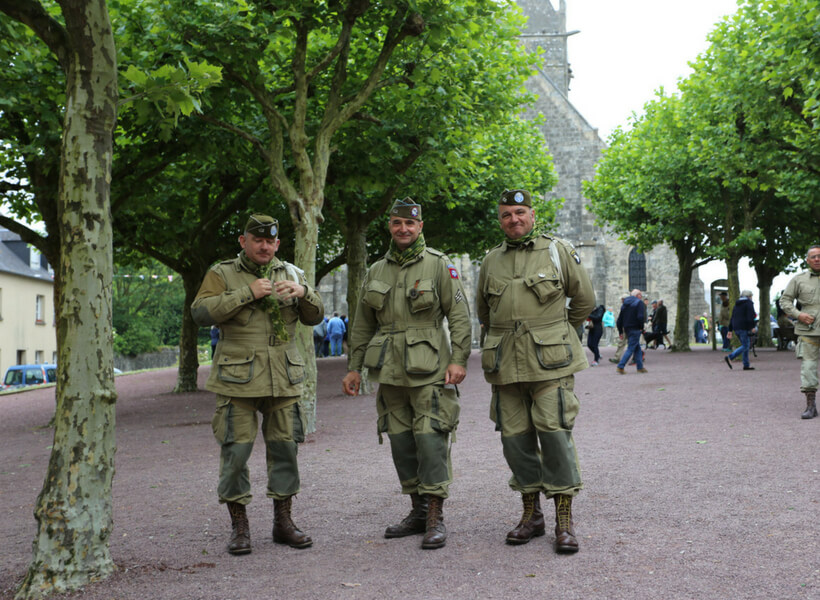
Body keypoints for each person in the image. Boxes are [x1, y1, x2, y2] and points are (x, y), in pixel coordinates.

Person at [191, 214, 325, 555]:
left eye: (270, 241)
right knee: (235, 452)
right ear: (244, 241)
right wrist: (244, 294)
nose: (264, 246)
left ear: (277, 244)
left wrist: (304, 292)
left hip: (284, 377)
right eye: (258, 240)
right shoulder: (222, 273)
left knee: (286, 451)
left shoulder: (291, 273)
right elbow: (200, 313)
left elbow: (316, 315)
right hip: (238, 380)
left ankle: (283, 522)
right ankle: (240, 527)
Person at [342, 198, 471, 549]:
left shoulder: (439, 265)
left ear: (420, 227)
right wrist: (354, 368)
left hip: (429, 370)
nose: (403, 229)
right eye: (397, 223)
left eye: (409, 224)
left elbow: (458, 316)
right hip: (389, 372)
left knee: (430, 441)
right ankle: (416, 511)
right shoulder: (375, 271)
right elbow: (362, 324)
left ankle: (435, 516)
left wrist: (458, 359)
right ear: (390, 226)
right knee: (401, 442)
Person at [476, 189, 595, 553]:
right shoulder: (490, 260)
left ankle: (564, 519)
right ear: (500, 220)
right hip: (505, 364)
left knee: (555, 435)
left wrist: (558, 333)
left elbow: (585, 299)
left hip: (550, 364)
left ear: (531, 214)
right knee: (514, 440)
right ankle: (532, 515)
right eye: (507, 214)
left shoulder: (557, 250)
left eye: (520, 212)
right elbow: (484, 311)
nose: (514, 219)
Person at [778, 245, 820, 419]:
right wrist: (798, 314)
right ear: (807, 260)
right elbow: (785, 300)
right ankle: (811, 406)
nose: (817, 259)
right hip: (809, 331)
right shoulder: (798, 280)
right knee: (809, 367)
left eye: (819, 256)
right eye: (813, 257)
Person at [723, 289, 757, 372]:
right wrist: (752, 326)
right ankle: (730, 357)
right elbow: (750, 315)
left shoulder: (736, 305)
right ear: (749, 296)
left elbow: (732, 317)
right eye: (751, 296)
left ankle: (746, 365)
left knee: (745, 344)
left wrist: (730, 330)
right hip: (744, 326)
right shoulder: (749, 303)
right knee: (746, 346)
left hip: (736, 327)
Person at [616, 290, 647, 374]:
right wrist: (641, 327)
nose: (641, 296)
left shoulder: (625, 304)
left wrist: (620, 331)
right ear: (637, 295)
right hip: (635, 328)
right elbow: (640, 316)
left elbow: (619, 319)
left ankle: (640, 367)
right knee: (631, 348)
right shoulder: (639, 303)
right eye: (640, 294)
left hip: (627, 328)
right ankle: (620, 366)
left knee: (637, 348)